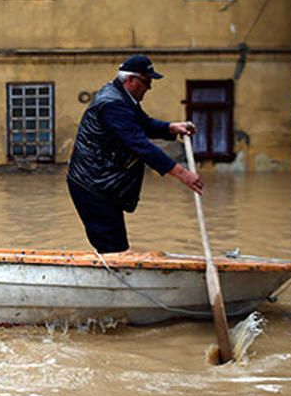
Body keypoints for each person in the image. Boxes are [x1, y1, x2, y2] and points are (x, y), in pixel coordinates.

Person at [67, 54, 203, 253]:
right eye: (146, 82)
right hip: (92, 184)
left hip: (102, 183)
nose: (149, 88)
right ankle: (115, 280)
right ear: (130, 80)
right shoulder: (113, 104)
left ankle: (116, 276)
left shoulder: (121, 97)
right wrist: (183, 174)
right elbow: (140, 145)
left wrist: (172, 128)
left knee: (115, 246)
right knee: (113, 247)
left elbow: (143, 123)